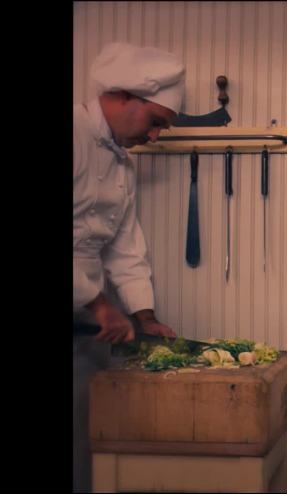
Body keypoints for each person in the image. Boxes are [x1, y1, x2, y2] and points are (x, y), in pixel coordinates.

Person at [73, 42, 185, 492]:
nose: (155, 137)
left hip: (86, 322)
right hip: (90, 307)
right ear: (123, 96)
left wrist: (144, 316)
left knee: (85, 437)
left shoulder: (123, 164)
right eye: (155, 122)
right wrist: (100, 304)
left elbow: (124, 247)